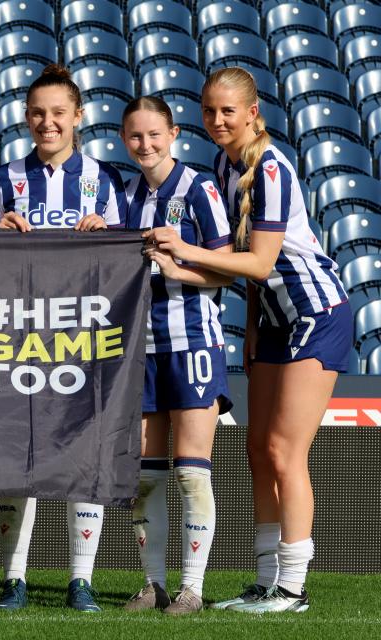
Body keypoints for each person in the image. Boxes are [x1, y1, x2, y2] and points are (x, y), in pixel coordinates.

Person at [145, 66, 351, 613]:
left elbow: (259, 262)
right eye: (209, 110)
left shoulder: (271, 169)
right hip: (275, 321)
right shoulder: (224, 163)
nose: (216, 120)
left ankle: (292, 587)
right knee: (257, 450)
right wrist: (254, 326)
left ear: (252, 113)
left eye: (227, 111)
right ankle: (264, 582)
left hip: (316, 314)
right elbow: (252, 270)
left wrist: (184, 251)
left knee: (284, 451)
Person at [0, 64, 126, 612]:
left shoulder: (103, 179)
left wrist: (106, 235)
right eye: (38, 113)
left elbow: (125, 260)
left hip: (81, 339)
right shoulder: (4, 178)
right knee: (18, 454)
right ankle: (13, 578)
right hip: (18, 338)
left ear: (78, 116)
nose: (48, 122)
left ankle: (80, 580)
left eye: (58, 113)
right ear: (26, 118)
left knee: (82, 453)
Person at [119, 96, 233, 615]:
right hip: (139, 348)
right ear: (124, 140)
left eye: (154, 134)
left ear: (173, 135)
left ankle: (193, 589)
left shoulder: (198, 188)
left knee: (191, 471)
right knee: (145, 476)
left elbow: (227, 269)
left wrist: (177, 264)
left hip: (192, 343)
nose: (145, 144)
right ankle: (154, 585)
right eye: (135, 136)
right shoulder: (125, 195)